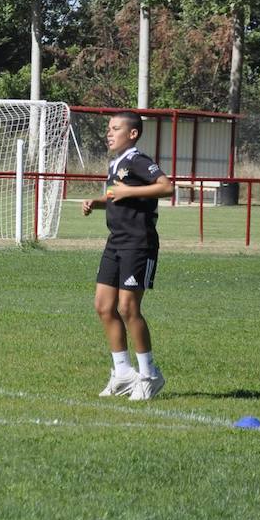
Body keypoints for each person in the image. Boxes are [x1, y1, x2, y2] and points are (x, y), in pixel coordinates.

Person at [82, 111, 174, 401]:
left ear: (132, 134)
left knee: (128, 308)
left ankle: (149, 375)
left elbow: (167, 186)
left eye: (115, 128)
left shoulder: (137, 160)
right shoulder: (116, 164)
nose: (109, 133)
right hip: (116, 242)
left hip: (139, 243)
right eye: (108, 128)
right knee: (103, 306)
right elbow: (117, 197)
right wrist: (97, 202)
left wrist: (129, 193)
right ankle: (122, 373)